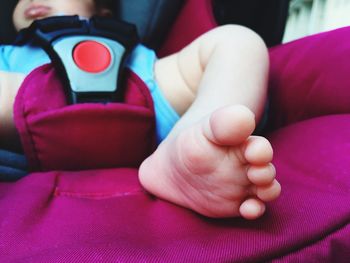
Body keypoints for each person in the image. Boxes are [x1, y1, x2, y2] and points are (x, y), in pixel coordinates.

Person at [0, 0, 281, 220]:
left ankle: (193, 146)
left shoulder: (131, 45)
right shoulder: (8, 53)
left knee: (238, 40)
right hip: (19, 104)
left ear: (104, 12)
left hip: (145, 91)